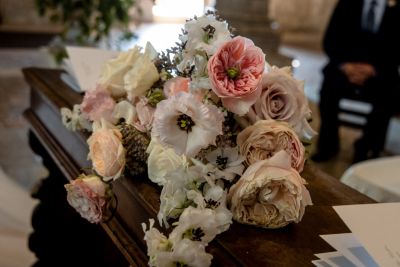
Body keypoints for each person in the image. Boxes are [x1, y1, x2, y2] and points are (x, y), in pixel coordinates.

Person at [312, 0, 400, 163]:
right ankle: (328, 145)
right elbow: (330, 40)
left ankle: (366, 147)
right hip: (345, 67)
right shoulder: (346, 3)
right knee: (328, 89)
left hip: (379, 71)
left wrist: (374, 69)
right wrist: (346, 66)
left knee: (389, 94)